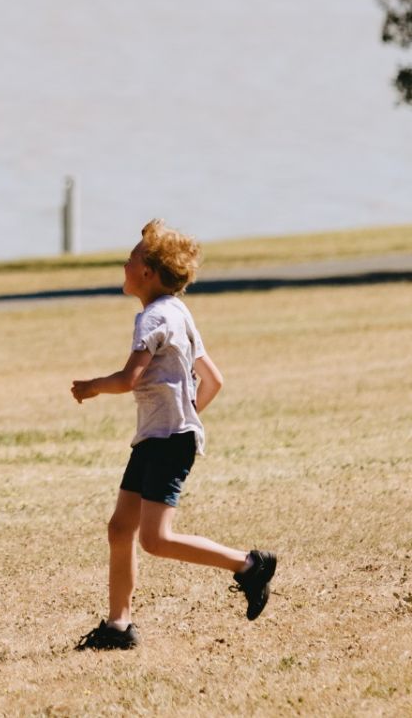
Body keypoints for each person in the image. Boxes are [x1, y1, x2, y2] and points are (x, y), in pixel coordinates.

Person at [70, 219, 276, 650]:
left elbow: (130, 378)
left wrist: (91, 386)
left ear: (148, 273)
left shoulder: (153, 318)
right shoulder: (178, 311)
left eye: (131, 259)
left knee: (155, 539)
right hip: (160, 437)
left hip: (166, 440)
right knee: (120, 528)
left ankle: (249, 565)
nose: (124, 264)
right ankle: (118, 627)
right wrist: (185, 416)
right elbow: (213, 380)